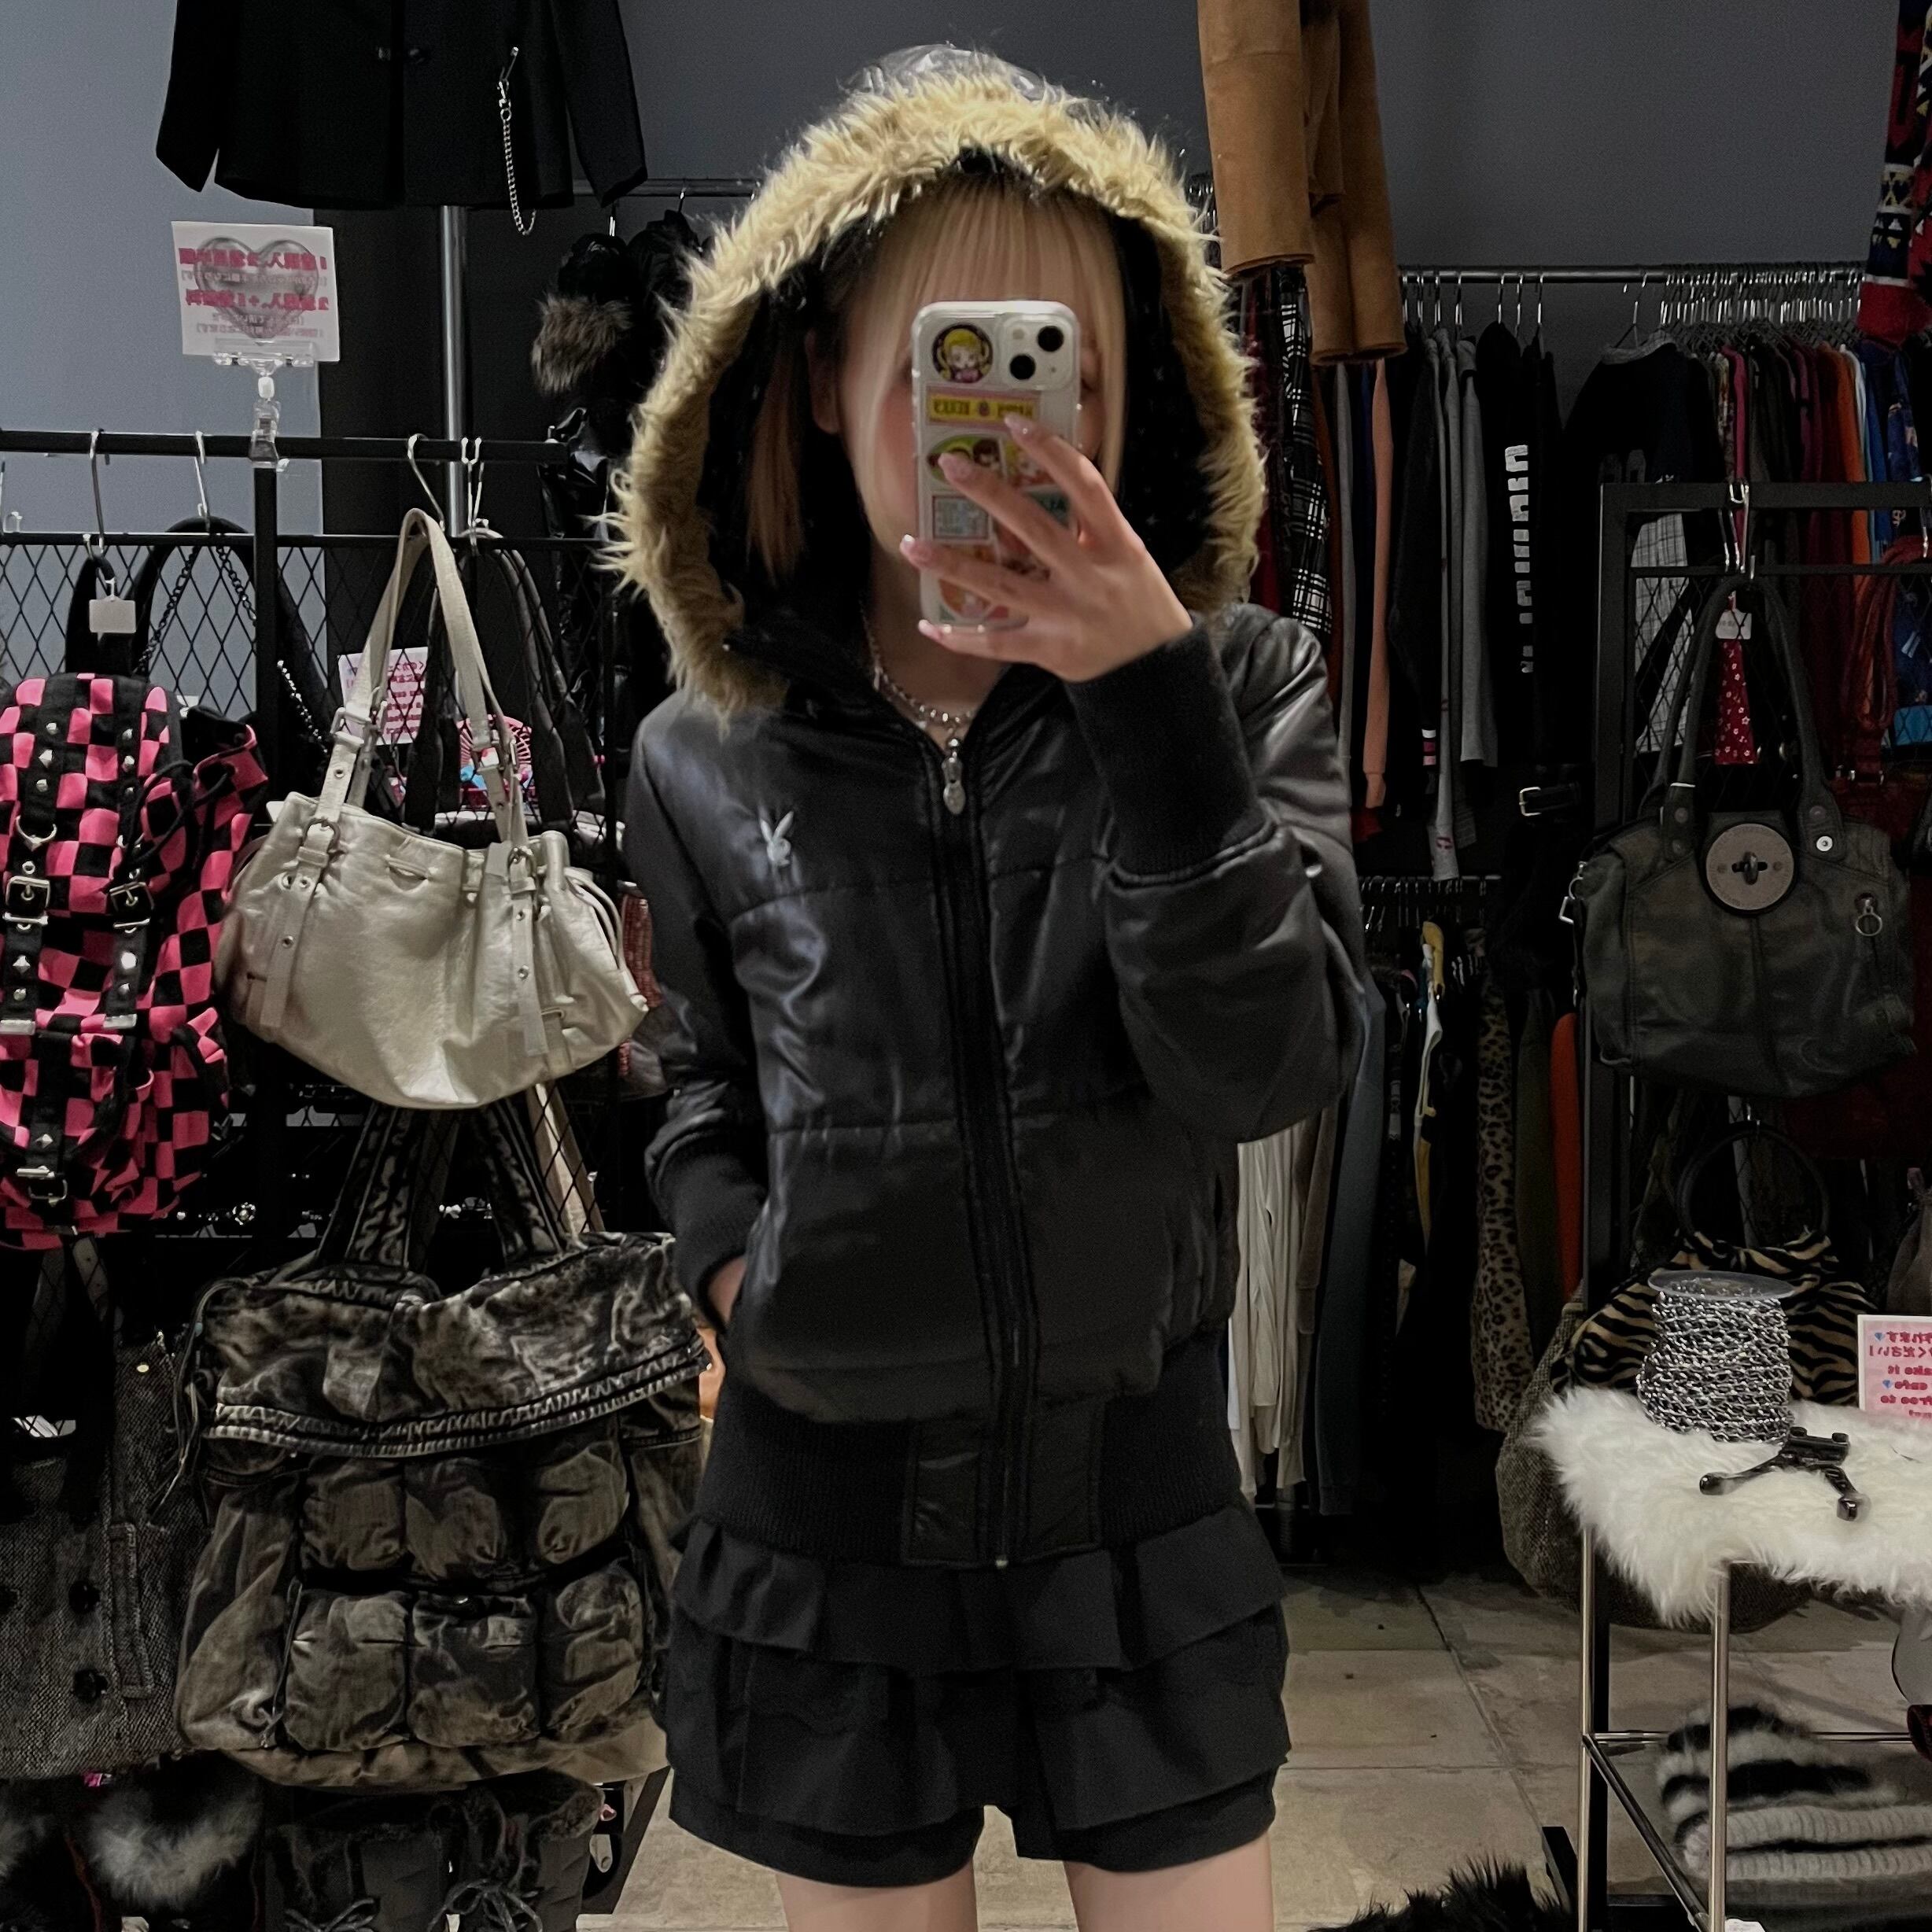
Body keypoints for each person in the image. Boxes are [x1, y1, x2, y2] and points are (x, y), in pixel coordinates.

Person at [617, 45, 1364, 1932]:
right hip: (829, 1527)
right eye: (952, 362)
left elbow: (1269, 1071)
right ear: (816, 375)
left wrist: (1149, 709)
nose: (1014, 422)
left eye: (1061, 368)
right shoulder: (702, 747)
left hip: (1136, 1511)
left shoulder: (1238, 684)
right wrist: (738, 1276)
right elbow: (692, 1080)